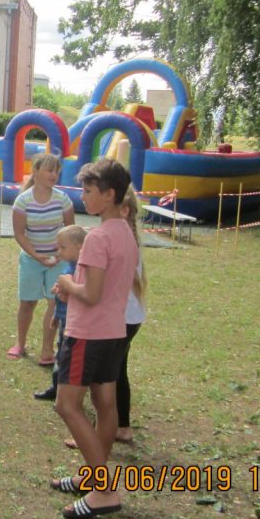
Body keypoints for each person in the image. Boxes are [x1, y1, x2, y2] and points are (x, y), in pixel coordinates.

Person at [51, 159, 137, 519]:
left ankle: (103, 489)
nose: (83, 196)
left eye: (88, 190)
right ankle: (92, 478)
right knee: (105, 406)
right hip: (113, 331)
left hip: (88, 333)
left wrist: (68, 284)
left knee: (66, 405)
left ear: (109, 194)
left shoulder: (98, 237)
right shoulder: (126, 232)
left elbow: (91, 293)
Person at [7, 153, 75, 362]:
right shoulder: (23, 201)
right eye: (49, 170)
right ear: (35, 171)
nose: (54, 175)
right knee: (27, 302)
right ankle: (20, 344)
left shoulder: (63, 199)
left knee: (55, 303)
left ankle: (47, 350)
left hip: (58, 261)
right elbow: (19, 233)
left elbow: (71, 231)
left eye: (57, 171)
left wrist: (60, 255)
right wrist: (36, 256)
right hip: (31, 260)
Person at [33, 224, 87, 401]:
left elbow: (82, 296)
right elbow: (62, 295)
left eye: (63, 247)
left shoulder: (83, 269)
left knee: (68, 359)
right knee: (61, 356)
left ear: (79, 247)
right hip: (65, 322)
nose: (59, 251)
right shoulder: (68, 265)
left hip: (76, 325)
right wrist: (56, 316)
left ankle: (67, 394)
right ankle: (56, 388)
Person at [116, 186, 147, 443]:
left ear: (124, 210)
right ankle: (121, 426)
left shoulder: (122, 241)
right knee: (117, 371)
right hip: (128, 317)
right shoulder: (126, 236)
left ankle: (105, 429)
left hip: (122, 318)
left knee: (107, 376)